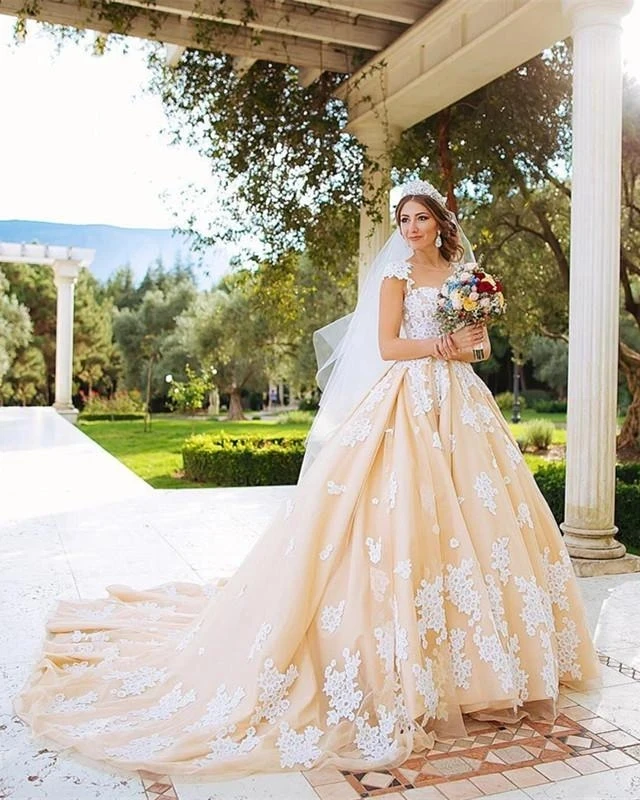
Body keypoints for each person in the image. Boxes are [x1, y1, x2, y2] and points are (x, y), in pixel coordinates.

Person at [16, 180, 600, 779]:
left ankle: (490, 667)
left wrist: (470, 342)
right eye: (402, 219)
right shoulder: (396, 274)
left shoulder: (462, 273)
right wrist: (441, 343)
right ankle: (409, 670)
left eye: (419, 218)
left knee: (479, 523)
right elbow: (389, 345)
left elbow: (476, 350)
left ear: (439, 222)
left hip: (462, 406)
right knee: (395, 524)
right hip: (407, 399)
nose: (410, 228)